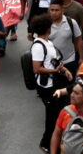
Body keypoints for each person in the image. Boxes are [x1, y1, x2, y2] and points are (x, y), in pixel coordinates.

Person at [31, 14, 73, 153]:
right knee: (52, 116)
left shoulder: (48, 43)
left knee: (57, 114)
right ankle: (46, 143)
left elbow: (53, 60)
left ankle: (54, 142)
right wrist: (54, 70)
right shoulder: (38, 46)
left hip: (55, 83)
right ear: (48, 29)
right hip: (46, 87)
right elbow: (37, 68)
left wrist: (64, 69)